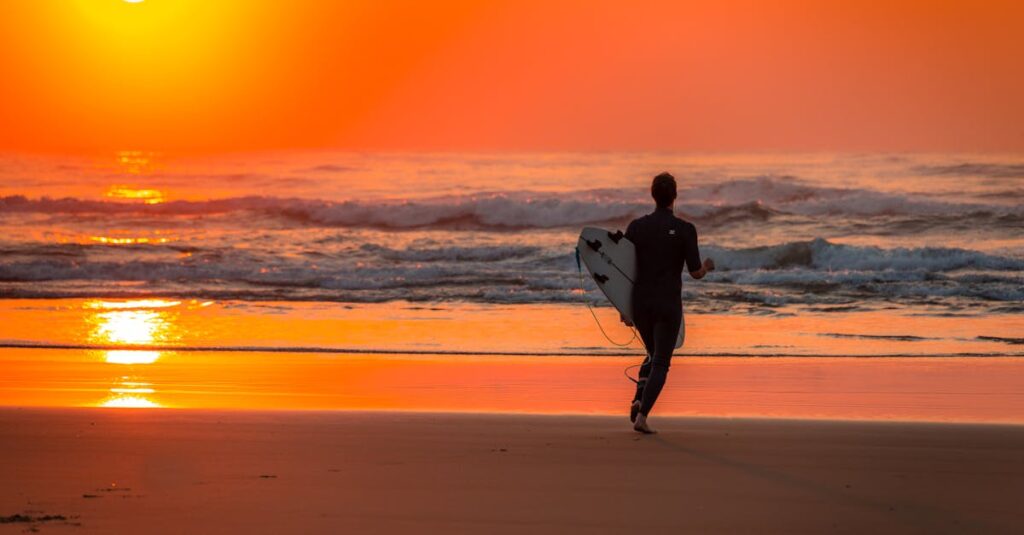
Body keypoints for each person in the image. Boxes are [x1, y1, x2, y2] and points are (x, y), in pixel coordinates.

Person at [623, 172, 714, 434]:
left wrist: (623, 307)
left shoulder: (636, 227)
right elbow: (695, 272)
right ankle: (642, 416)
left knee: (652, 354)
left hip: (641, 303)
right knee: (661, 361)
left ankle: (640, 396)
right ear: (675, 196)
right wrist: (707, 265)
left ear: (653, 195)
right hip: (668, 305)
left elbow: (623, 269)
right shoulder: (686, 230)